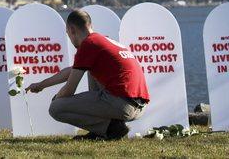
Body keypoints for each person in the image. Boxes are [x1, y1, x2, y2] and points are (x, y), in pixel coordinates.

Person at [26, 9, 149, 140]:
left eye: (68, 33)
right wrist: (41, 85)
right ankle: (104, 130)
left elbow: (69, 89)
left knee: (56, 108)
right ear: (90, 26)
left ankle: (110, 129)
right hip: (139, 106)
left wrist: (57, 99)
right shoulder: (102, 41)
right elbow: (72, 71)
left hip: (122, 105)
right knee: (91, 70)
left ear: (72, 30)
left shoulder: (88, 45)